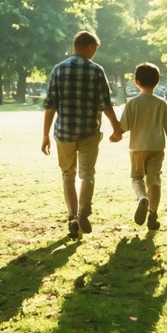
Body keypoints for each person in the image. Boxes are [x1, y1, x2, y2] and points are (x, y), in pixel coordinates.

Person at [42, 30, 122, 239]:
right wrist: (116, 127)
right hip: (89, 131)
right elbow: (105, 104)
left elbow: (50, 106)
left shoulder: (58, 70)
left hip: (64, 132)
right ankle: (83, 212)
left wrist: (45, 135)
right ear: (89, 47)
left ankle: (71, 217)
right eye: (95, 48)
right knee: (87, 174)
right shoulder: (96, 71)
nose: (95, 53)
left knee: (68, 174)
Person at [110, 62, 167, 231]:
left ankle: (141, 198)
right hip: (157, 147)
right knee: (154, 181)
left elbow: (123, 127)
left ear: (136, 81)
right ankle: (152, 214)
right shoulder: (161, 103)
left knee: (137, 178)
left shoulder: (132, 103)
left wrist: (115, 136)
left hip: (138, 147)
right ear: (157, 81)